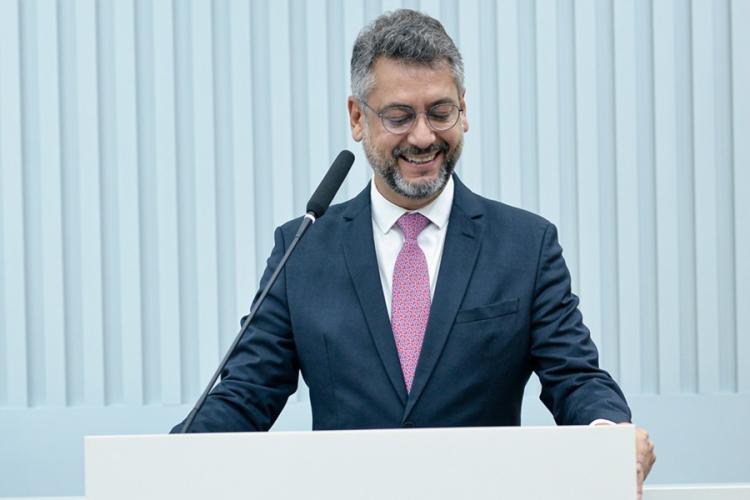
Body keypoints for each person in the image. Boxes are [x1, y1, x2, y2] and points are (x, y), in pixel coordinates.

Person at [174, 8, 655, 493]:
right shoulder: (302, 248)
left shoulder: (525, 245)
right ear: (357, 117)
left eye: (440, 112)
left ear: (464, 109)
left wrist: (610, 437)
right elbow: (246, 393)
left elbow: (575, 377)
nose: (423, 137)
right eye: (399, 117)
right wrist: (166, 461)